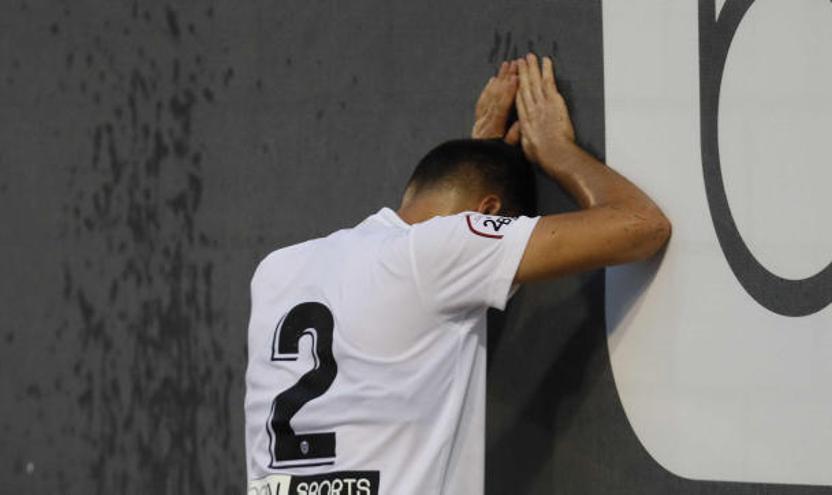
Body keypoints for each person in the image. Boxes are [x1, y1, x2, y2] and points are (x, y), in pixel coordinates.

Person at [244, 53, 671, 495]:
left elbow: (410, 294)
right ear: (489, 213)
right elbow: (642, 226)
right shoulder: (439, 256)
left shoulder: (278, 270)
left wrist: (479, 153)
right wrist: (558, 151)